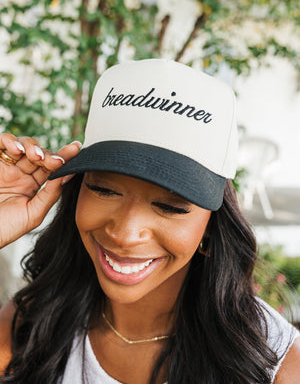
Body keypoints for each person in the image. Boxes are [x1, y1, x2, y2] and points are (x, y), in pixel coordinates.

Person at [0, 59, 299, 384]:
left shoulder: (276, 364)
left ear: (211, 226)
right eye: (103, 189)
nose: (126, 234)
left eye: (170, 207)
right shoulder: (31, 323)